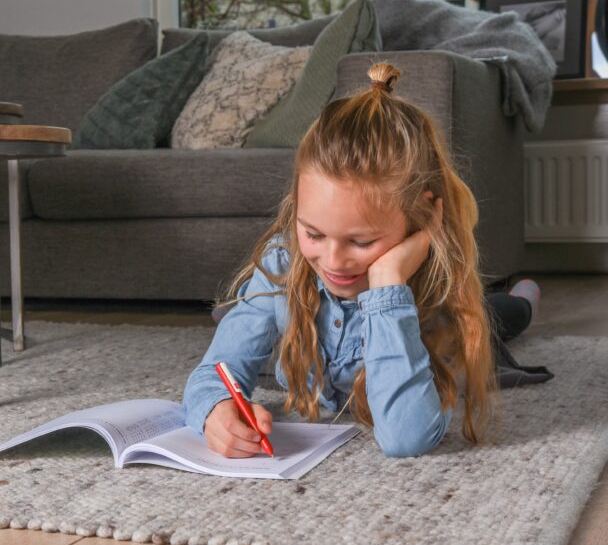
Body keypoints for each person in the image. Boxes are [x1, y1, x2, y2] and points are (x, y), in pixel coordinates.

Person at [182, 62, 541, 459]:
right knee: (263, 313)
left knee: (500, 318)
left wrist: (388, 282)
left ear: (419, 218)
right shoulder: (284, 266)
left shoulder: (439, 290)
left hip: (460, 319)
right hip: (293, 314)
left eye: (362, 241)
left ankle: (526, 298)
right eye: (314, 233)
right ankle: (249, 309)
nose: (333, 260)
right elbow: (211, 376)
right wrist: (214, 410)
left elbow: (407, 436)